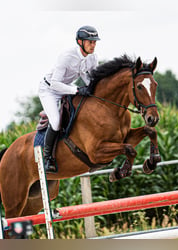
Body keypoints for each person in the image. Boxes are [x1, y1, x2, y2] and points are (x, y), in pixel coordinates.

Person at [38, 25, 100, 172]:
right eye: (90, 42)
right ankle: (48, 159)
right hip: (49, 89)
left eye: (94, 42)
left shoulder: (93, 57)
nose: (93, 45)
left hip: (67, 87)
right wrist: (77, 90)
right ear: (80, 42)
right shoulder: (67, 56)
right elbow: (55, 83)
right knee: (56, 122)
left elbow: (91, 79)